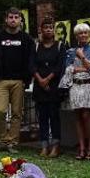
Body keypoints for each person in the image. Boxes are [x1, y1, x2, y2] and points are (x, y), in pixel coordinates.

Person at [0, 7, 35, 151]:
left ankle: (12, 142)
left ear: (20, 20)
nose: (13, 20)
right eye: (11, 17)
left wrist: (27, 78)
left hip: (19, 81)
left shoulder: (27, 39)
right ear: (6, 19)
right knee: (0, 111)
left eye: (16, 17)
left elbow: (31, 60)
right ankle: (1, 141)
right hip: (1, 80)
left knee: (16, 113)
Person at [62, 23, 90, 160]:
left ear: (89, 34)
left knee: (86, 115)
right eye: (81, 33)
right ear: (76, 36)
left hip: (88, 86)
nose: (83, 35)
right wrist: (81, 68)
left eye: (86, 32)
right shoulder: (70, 52)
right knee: (78, 116)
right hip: (75, 86)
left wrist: (82, 58)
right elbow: (67, 70)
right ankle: (82, 147)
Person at [30, 17, 66, 157]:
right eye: (46, 28)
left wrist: (48, 80)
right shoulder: (36, 46)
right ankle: (44, 145)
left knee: (54, 116)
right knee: (42, 117)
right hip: (39, 86)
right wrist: (40, 80)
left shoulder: (60, 46)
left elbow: (60, 66)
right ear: (41, 30)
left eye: (51, 27)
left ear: (54, 30)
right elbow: (32, 65)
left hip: (54, 86)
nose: (48, 30)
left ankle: (56, 146)